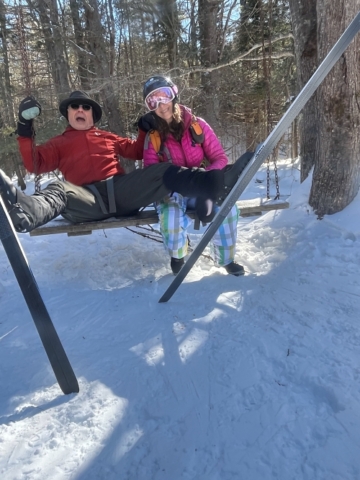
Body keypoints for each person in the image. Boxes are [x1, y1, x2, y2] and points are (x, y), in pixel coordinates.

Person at [0, 90, 251, 240]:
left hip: (122, 193)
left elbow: (133, 151)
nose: (80, 109)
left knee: (161, 170)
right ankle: (28, 212)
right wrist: (24, 127)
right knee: (59, 188)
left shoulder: (107, 137)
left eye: (85, 107)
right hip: (86, 200)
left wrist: (143, 131)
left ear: (92, 115)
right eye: (74, 107)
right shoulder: (58, 143)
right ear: (68, 114)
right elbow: (34, 163)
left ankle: (217, 182)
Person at [141, 75, 253, 276]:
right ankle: (178, 255)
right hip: (172, 190)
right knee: (171, 218)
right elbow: (151, 173)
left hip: (202, 186)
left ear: (174, 95)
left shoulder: (197, 125)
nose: (161, 105)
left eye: (164, 96)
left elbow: (219, 157)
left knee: (227, 210)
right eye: (153, 101)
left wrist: (205, 178)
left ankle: (226, 259)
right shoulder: (153, 137)